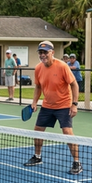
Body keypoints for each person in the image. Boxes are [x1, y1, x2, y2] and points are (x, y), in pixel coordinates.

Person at [23, 40, 82, 175]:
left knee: (67, 133)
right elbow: (38, 86)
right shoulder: (38, 68)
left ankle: (77, 163)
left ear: (52, 52)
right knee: (37, 131)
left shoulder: (62, 66)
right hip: (47, 106)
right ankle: (37, 157)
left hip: (63, 105)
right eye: (40, 52)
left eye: (45, 52)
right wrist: (34, 102)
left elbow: (74, 84)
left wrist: (74, 104)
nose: (42, 55)